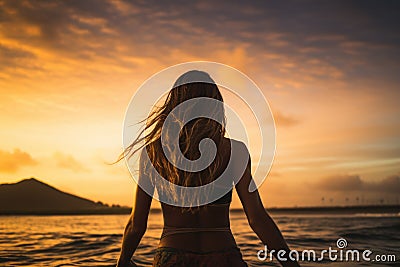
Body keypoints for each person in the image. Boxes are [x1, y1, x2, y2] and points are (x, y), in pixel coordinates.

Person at [116, 70, 300, 267]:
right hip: (223, 257)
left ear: (174, 105)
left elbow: (137, 225)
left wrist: (123, 261)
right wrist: (292, 265)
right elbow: (257, 219)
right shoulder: (234, 151)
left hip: (173, 258)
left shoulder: (154, 152)